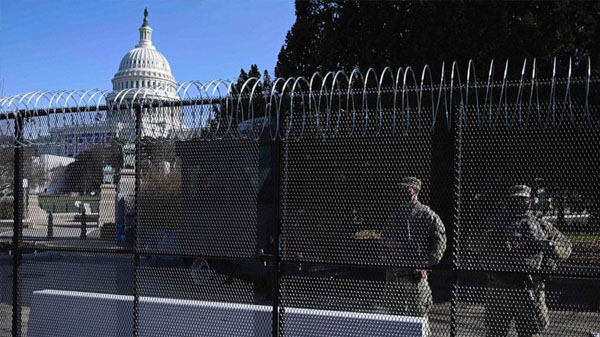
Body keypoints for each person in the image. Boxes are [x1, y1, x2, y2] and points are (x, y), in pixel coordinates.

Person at [485, 185, 572, 337]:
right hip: (500, 288)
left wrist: (551, 246)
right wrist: (491, 236)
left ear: (530, 202)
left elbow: (566, 247)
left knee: (531, 332)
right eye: (515, 200)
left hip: (530, 287)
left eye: (523, 200)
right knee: (495, 332)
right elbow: (473, 244)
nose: (519, 203)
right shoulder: (495, 223)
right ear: (508, 201)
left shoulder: (541, 225)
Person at [380, 176, 446, 317]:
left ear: (416, 190)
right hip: (394, 276)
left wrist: (427, 264)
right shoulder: (395, 215)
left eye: (406, 188)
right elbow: (383, 238)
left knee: (418, 317)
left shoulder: (427, 215)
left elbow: (440, 241)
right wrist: (388, 246)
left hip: (415, 277)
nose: (403, 192)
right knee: (393, 318)